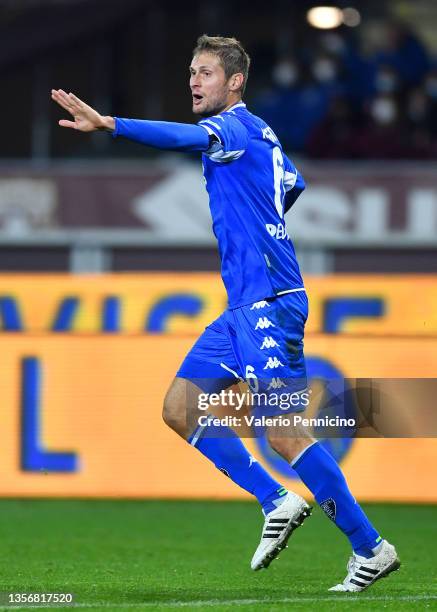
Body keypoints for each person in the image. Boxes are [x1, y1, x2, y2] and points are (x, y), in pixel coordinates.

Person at [51, 34, 400, 592]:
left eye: (206, 72)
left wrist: (111, 124)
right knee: (180, 407)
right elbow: (291, 183)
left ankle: (371, 549)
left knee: (286, 435)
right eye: (191, 71)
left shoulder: (234, 127)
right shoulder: (260, 136)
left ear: (234, 82)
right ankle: (276, 499)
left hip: (270, 304)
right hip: (244, 307)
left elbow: (186, 139)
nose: (193, 80)